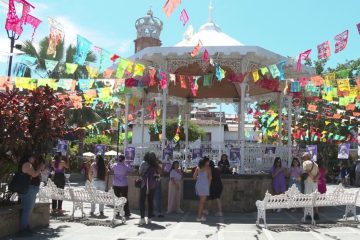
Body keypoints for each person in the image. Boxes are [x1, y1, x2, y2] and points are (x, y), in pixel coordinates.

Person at [18, 155, 44, 232]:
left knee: (27, 209)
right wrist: (39, 168)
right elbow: (34, 174)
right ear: (28, 157)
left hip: (30, 189)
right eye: (33, 157)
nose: (34, 159)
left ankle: (25, 226)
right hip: (29, 189)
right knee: (27, 209)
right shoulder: (27, 164)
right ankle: (24, 229)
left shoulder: (28, 164)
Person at [138, 152, 160, 225]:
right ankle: (149, 218)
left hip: (144, 185)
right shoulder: (155, 165)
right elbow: (158, 176)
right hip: (152, 186)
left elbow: (140, 172)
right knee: (150, 202)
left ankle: (142, 218)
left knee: (142, 201)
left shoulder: (144, 163)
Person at [193, 157, 212, 222]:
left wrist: (200, 177)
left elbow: (194, 177)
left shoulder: (198, 168)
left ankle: (201, 215)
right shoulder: (208, 168)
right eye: (208, 161)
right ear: (206, 162)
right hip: (204, 185)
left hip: (198, 185)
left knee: (201, 201)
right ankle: (199, 217)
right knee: (202, 202)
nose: (209, 162)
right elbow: (210, 178)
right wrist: (208, 186)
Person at [302, 153, 320, 220]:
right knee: (315, 198)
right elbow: (319, 173)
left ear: (306, 157)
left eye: (303, 157)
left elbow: (307, 172)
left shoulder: (305, 163)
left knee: (308, 198)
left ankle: (308, 214)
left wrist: (313, 178)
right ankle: (316, 213)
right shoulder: (315, 164)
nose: (303, 158)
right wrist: (316, 178)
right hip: (315, 183)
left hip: (308, 183)